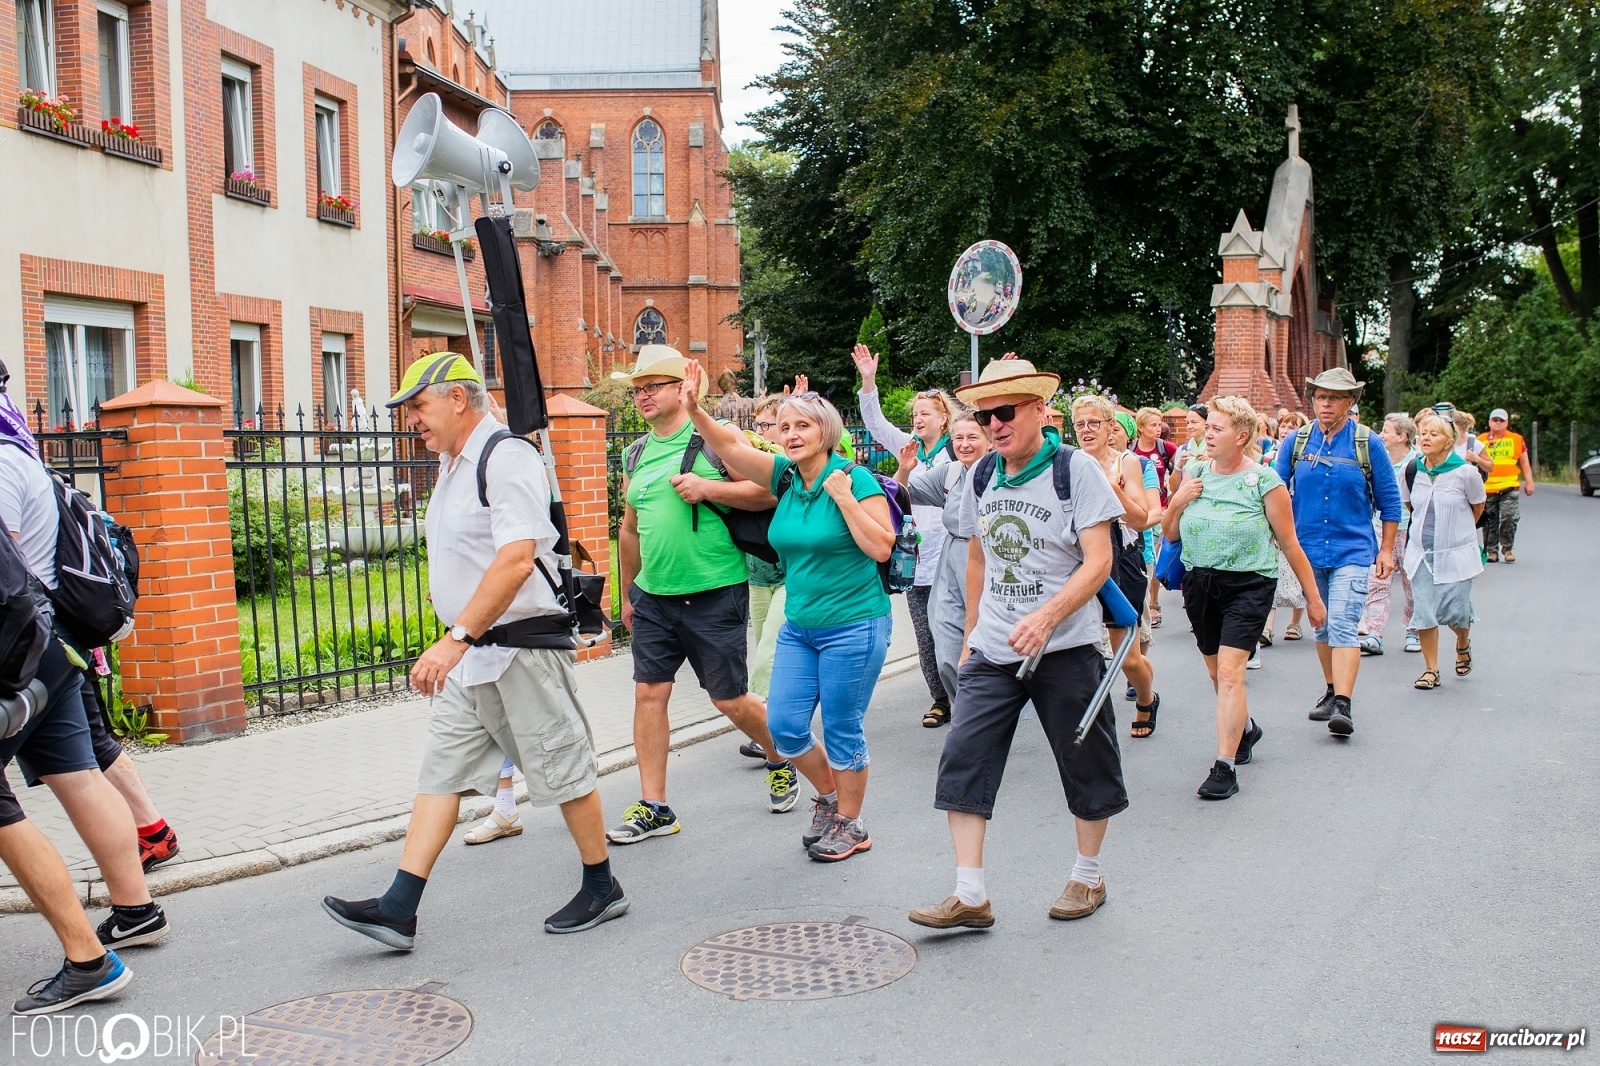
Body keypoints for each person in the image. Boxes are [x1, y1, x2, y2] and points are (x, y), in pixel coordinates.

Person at [322, 353, 626, 945]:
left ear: (458, 399)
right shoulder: (452, 464)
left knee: (562, 768)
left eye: (418, 405)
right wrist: (457, 622)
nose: (411, 419)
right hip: (473, 657)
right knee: (440, 773)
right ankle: (399, 906)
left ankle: (601, 884)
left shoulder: (506, 457)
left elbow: (516, 560)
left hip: (518, 650)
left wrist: (454, 638)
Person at [908, 356, 1127, 931]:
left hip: (1067, 646)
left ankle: (1088, 875)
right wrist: (970, 634)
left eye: (1005, 412)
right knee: (963, 756)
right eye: (985, 416)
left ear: (1038, 410)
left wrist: (1048, 616)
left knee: (1085, 760)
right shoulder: (982, 473)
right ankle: (970, 894)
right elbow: (978, 556)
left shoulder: (1076, 470)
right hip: (994, 647)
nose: (994, 425)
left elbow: (1099, 561)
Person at [678, 362, 896, 863]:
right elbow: (731, 448)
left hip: (854, 625)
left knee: (841, 728)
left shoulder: (854, 478)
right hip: (801, 627)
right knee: (784, 726)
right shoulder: (785, 477)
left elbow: (881, 547)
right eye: (785, 427)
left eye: (803, 425)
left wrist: (845, 500)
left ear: (826, 432)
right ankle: (830, 798)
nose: (792, 434)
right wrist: (694, 409)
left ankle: (853, 824)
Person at [0, 443, 166, 1009]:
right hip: (51, 643)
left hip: (18, 651)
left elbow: (6, 576)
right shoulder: (20, 456)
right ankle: (136, 910)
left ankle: (87, 959)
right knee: (80, 773)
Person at [609, 346, 793, 842]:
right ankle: (655, 806)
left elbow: (769, 491)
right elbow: (630, 529)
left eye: (653, 386)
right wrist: (629, 593)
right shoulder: (635, 453)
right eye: (638, 389)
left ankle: (782, 755)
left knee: (729, 699)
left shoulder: (717, 436)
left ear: (682, 388)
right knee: (649, 693)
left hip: (714, 591)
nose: (643, 395)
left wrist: (709, 489)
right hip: (654, 597)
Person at [1163, 397, 1325, 799]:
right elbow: (1170, 533)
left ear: (1242, 436)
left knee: (1230, 674)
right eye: (1208, 427)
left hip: (1250, 585)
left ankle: (1225, 766)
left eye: (1216, 428)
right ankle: (1247, 729)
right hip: (1200, 584)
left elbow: (1290, 543)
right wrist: (1178, 502)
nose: (1207, 434)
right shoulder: (1196, 472)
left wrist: (1313, 598)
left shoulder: (1265, 482)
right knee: (1216, 674)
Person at [1274, 368, 1402, 738]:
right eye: (1320, 397)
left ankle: (1343, 704)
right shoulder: (1297, 442)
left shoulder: (1367, 442)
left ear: (1350, 402)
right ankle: (1331, 690)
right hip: (1308, 550)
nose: (1326, 403)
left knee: (1344, 623)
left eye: (1335, 397)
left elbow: (1390, 501)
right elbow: (1275, 490)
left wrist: (1386, 550)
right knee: (1322, 624)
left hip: (1353, 549)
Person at [852, 344, 958, 727]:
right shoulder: (908, 449)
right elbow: (875, 423)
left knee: (952, 630)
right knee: (925, 635)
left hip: (950, 560)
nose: (918, 419)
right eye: (915, 414)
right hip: (915, 561)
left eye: (925, 413)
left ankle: (967, 696)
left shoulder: (957, 452)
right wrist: (868, 382)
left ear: (943, 419)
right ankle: (940, 699)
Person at [1070, 396, 1160, 738]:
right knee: (1077, 650)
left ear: (1111, 428)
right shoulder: (1070, 463)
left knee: (1128, 657)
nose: (1087, 430)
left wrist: (1112, 489)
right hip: (1079, 559)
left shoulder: (1126, 462)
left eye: (1094, 423)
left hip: (1121, 561)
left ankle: (1147, 699)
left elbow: (1139, 519)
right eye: (1080, 424)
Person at [895, 412, 992, 726]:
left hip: (988, 559)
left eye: (972, 437)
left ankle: (985, 714)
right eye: (958, 438)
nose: (964, 444)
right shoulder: (949, 473)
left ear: (990, 440)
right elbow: (900, 494)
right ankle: (966, 711)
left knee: (983, 641)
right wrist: (904, 469)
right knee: (946, 642)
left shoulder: (1000, 474)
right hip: (952, 557)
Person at [1404, 413, 1486, 689]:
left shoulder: (1465, 473)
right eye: (1423, 433)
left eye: (1434, 434)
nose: (1425, 438)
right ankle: (1431, 669)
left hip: (1456, 555)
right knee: (1425, 610)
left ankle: (1462, 642)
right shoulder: (1412, 470)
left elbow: (1477, 507)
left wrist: (1456, 532)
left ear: (1449, 442)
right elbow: (1411, 506)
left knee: (1457, 612)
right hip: (1421, 554)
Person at [1359, 413, 1422, 656]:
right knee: (1377, 582)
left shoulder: (1418, 463)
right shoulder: (1377, 459)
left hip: (1411, 531)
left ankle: (1414, 630)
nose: (1381, 435)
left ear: (1402, 437)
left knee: (1413, 584)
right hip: (1380, 528)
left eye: (1386, 431)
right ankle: (1374, 633)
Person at [1130, 407, 1177, 627]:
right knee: (1149, 554)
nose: (1158, 429)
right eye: (1153, 425)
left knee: (1155, 555)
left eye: (1160, 425)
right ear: (1140, 427)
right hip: (1141, 509)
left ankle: (1155, 600)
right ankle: (1149, 601)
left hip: (1162, 508)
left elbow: (1178, 475)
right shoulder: (1132, 450)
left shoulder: (1166, 448)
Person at [1478, 408, 1534, 563]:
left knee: (1509, 517)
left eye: (1501, 420)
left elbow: (1524, 462)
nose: (1498, 423)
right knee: (1489, 521)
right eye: (1495, 420)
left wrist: (1529, 481)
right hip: (1487, 488)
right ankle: (1491, 551)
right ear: (1489, 422)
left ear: (1507, 423)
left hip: (1509, 487)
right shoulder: (1480, 440)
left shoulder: (1516, 439)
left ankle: (1507, 548)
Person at [1167, 403, 1209, 495]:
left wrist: (1212, 462)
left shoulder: (1216, 448)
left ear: (1207, 423)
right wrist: (1179, 466)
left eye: (1194, 422)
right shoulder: (1183, 449)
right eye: (1187, 423)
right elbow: (1174, 489)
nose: (1189, 427)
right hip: (1187, 501)